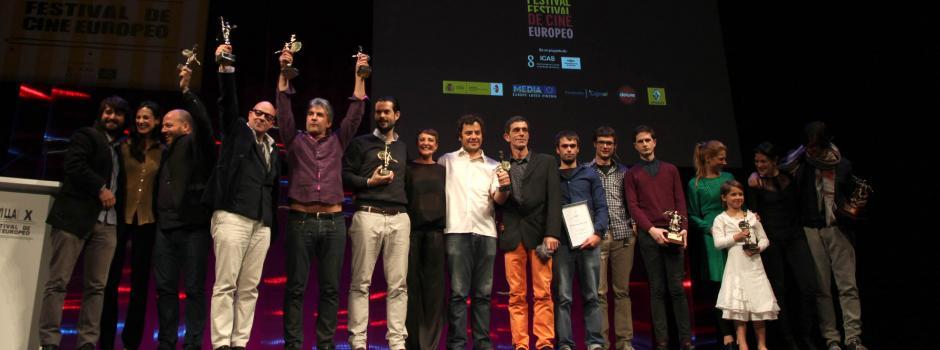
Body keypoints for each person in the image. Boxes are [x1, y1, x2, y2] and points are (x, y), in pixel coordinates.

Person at [277, 47, 369, 350]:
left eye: (319, 115)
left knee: (330, 290)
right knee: (296, 289)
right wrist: (284, 71)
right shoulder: (294, 140)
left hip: (332, 224)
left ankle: (325, 345)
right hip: (300, 221)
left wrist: (359, 76)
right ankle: (293, 344)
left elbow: (355, 113)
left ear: (329, 121)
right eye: (311, 114)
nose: (313, 117)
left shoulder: (339, 141)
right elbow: (284, 108)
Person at [204, 43, 281, 350]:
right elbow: (226, 103)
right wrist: (225, 67)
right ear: (250, 115)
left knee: (249, 288)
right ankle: (222, 343)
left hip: (260, 224)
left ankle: (239, 343)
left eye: (267, 116)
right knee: (226, 284)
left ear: (273, 122)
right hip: (232, 217)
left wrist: (271, 225)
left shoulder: (273, 150)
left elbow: (271, 188)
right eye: (257, 113)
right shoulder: (237, 132)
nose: (261, 118)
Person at [40, 95, 128, 350]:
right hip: (74, 219)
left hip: (107, 224)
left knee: (97, 288)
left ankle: (87, 343)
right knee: (58, 283)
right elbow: (74, 165)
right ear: (101, 113)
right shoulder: (86, 136)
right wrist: (100, 188)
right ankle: (49, 342)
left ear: (124, 119)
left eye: (118, 114)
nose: (112, 117)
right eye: (108, 111)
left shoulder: (120, 148)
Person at [781, 121, 867, 350]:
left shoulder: (843, 165)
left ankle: (853, 338)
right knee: (822, 288)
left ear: (825, 144)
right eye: (808, 147)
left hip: (838, 228)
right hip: (811, 229)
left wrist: (853, 207)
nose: (811, 151)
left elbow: (852, 196)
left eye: (815, 147)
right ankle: (831, 339)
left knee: (847, 285)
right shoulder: (801, 164)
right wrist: (800, 152)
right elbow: (781, 169)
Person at [151, 66, 217, 349]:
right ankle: (166, 343)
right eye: (163, 124)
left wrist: (188, 92)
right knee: (164, 289)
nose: (163, 129)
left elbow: (203, 123)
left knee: (193, 290)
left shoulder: (196, 144)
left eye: (169, 125)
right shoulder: (166, 152)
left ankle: (192, 344)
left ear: (186, 127)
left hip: (193, 230)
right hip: (164, 230)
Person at [343, 96, 410, 350]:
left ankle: (396, 342)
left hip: (399, 218)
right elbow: (345, 176)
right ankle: (358, 342)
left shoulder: (402, 147)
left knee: (398, 285)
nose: (382, 116)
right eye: (379, 112)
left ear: (397, 116)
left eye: (387, 112)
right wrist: (368, 182)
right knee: (361, 282)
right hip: (367, 214)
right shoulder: (361, 144)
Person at [438, 115, 510, 350]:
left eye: (477, 133)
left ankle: (482, 344)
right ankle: (457, 345)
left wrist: (505, 187)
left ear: (482, 136)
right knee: (458, 294)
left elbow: (498, 198)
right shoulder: (446, 161)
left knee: (483, 295)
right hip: (456, 232)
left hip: (486, 233)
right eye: (468, 133)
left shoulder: (493, 166)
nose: (473, 136)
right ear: (460, 136)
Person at [99, 101, 163, 350]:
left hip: (147, 221)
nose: (141, 121)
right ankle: (105, 340)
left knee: (139, 285)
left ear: (156, 121)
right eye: (138, 117)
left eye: (147, 117)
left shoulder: (163, 150)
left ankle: (131, 341)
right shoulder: (122, 147)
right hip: (119, 218)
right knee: (109, 282)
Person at [623, 125, 693, 350]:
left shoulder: (670, 169)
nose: (644, 144)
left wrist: (683, 228)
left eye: (648, 140)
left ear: (655, 142)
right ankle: (662, 341)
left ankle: (685, 339)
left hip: (673, 233)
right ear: (635, 146)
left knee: (677, 288)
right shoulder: (632, 173)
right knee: (657, 289)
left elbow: (680, 200)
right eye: (640, 141)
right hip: (649, 235)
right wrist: (651, 230)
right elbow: (633, 206)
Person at [497, 116, 562, 350]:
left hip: (540, 235)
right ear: (507, 136)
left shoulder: (546, 162)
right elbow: (497, 203)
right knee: (516, 294)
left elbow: (554, 199)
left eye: (525, 129)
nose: (521, 133)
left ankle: (544, 342)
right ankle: (520, 343)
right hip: (513, 235)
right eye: (516, 130)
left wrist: (552, 232)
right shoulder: (501, 167)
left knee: (543, 292)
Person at [747, 142, 820, 350]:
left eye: (763, 161)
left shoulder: (789, 178)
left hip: (794, 237)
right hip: (772, 241)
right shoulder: (755, 183)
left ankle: (806, 334)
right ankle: (789, 341)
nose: (759, 165)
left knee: (808, 287)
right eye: (756, 161)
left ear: (774, 161)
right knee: (779, 290)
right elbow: (753, 214)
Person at [552, 130, 608, 350]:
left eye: (572, 146)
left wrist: (598, 233)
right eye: (564, 146)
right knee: (563, 298)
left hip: (589, 243)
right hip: (563, 245)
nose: (569, 150)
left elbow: (602, 207)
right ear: (558, 149)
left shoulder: (590, 174)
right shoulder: (552, 175)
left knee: (592, 296)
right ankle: (565, 344)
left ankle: (594, 343)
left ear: (578, 148)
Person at [586, 126, 637, 350]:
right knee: (598, 294)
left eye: (609, 143)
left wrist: (634, 224)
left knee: (622, 291)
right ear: (594, 144)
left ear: (614, 146)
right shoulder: (584, 171)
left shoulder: (625, 172)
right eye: (601, 142)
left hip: (622, 236)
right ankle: (602, 343)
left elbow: (633, 202)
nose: (605, 146)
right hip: (597, 238)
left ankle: (625, 343)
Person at [712, 180, 779, 350]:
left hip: (754, 266)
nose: (737, 197)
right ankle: (742, 343)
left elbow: (764, 238)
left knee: (759, 303)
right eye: (733, 194)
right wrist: (737, 237)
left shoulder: (751, 216)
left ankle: (762, 344)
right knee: (738, 305)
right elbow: (718, 243)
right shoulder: (721, 219)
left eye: (740, 194)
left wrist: (758, 248)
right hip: (736, 266)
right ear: (724, 198)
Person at [686, 140, 735, 349]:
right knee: (719, 285)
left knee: (737, 282)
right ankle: (726, 334)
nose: (725, 162)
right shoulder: (695, 184)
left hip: (733, 231)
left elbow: (737, 200)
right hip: (712, 236)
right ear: (708, 158)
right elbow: (693, 214)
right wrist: (711, 228)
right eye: (721, 158)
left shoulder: (728, 178)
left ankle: (740, 331)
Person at [404, 129, 446, 350]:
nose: (426, 143)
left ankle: (429, 344)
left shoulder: (443, 171)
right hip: (411, 235)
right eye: (422, 140)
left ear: (437, 145)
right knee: (411, 290)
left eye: (431, 140)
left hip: (436, 236)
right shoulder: (408, 168)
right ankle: (411, 343)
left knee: (433, 292)